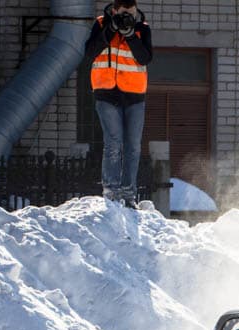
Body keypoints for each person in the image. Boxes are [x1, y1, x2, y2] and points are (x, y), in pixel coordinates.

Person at [84, 0, 152, 208]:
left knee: (133, 146)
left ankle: (129, 194)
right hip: (106, 93)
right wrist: (110, 31)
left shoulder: (142, 28)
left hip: (134, 96)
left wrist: (131, 35)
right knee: (114, 142)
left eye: (131, 13)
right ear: (114, 11)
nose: (128, 17)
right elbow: (90, 52)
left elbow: (145, 58)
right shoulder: (101, 24)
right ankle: (111, 191)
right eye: (124, 13)